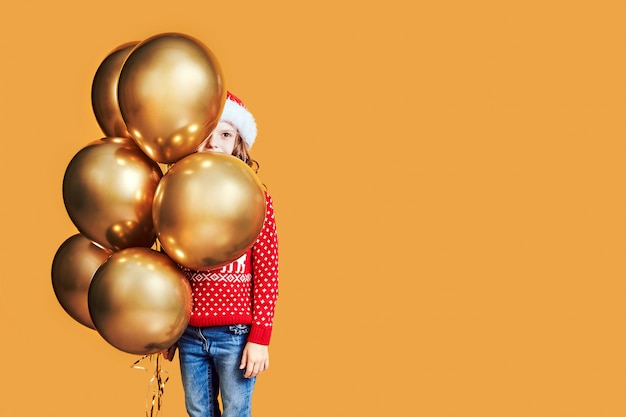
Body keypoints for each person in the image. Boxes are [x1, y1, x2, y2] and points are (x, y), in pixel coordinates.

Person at [163, 92, 279, 417]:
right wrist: (167, 328)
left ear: (237, 144)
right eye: (206, 135)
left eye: (225, 134)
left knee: (236, 413)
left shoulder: (256, 201)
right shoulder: (177, 202)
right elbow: (169, 267)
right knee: (198, 411)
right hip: (189, 332)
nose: (214, 144)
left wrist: (260, 337)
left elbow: (268, 271)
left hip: (236, 335)